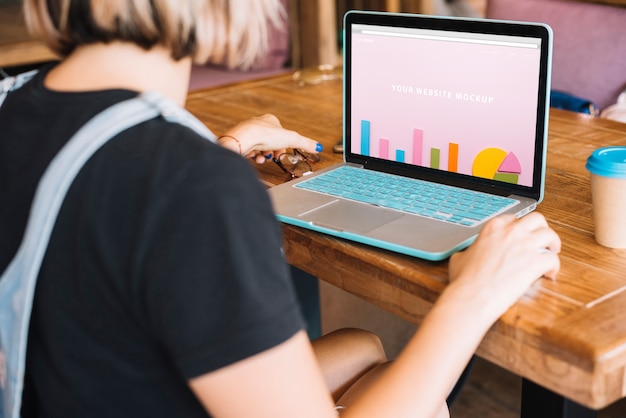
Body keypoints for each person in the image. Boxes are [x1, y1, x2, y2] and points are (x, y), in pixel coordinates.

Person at [0, 0, 561, 417]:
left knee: (364, 348)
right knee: (424, 403)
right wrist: (473, 296)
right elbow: (162, 202)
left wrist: (223, 154)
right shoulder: (190, 185)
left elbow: (105, 209)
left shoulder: (16, 106)